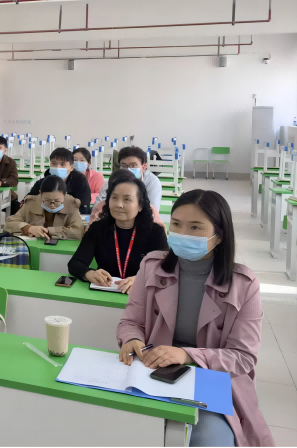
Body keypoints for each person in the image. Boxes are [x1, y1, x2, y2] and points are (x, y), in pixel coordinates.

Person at [117, 190, 272, 447]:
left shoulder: (244, 284)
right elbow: (131, 321)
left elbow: (243, 357)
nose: (182, 233)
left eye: (195, 227)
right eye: (176, 224)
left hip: (211, 380)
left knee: (207, 440)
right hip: (153, 371)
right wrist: (132, 338)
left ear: (219, 235)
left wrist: (187, 355)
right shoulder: (152, 267)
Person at [68, 169, 167, 294]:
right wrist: (89, 273)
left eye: (127, 199)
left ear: (140, 205)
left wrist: (142, 279)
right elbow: (75, 263)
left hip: (141, 295)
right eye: (114, 198)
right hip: (104, 292)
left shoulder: (155, 232)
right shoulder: (98, 228)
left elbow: (164, 268)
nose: (118, 204)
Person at [90, 146, 161, 222]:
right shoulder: (112, 181)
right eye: (124, 166)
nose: (128, 170)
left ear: (144, 166)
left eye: (133, 165)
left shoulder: (152, 182)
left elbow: (152, 212)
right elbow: (97, 208)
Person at [4, 176, 84, 240]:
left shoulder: (72, 204)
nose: (52, 205)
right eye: (47, 200)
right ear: (40, 194)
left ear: (65, 195)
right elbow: (9, 224)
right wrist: (28, 228)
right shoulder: (32, 202)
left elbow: (78, 232)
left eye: (57, 201)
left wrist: (48, 231)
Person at [28, 148, 91, 214]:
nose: (57, 167)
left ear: (71, 167)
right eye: (54, 163)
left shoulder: (80, 182)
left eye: (62, 164)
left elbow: (84, 207)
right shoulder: (41, 183)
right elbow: (28, 202)